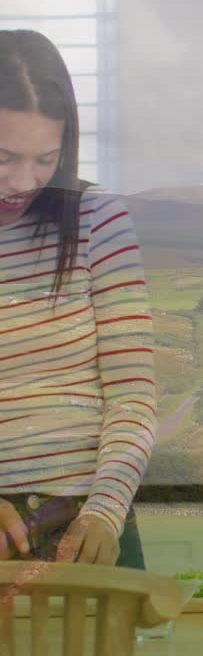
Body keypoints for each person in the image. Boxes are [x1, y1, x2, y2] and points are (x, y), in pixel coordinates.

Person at [0, 30, 156, 568]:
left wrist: (104, 512)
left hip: (93, 529)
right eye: (4, 157)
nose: (25, 181)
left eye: (46, 158)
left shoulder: (97, 219)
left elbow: (133, 397)